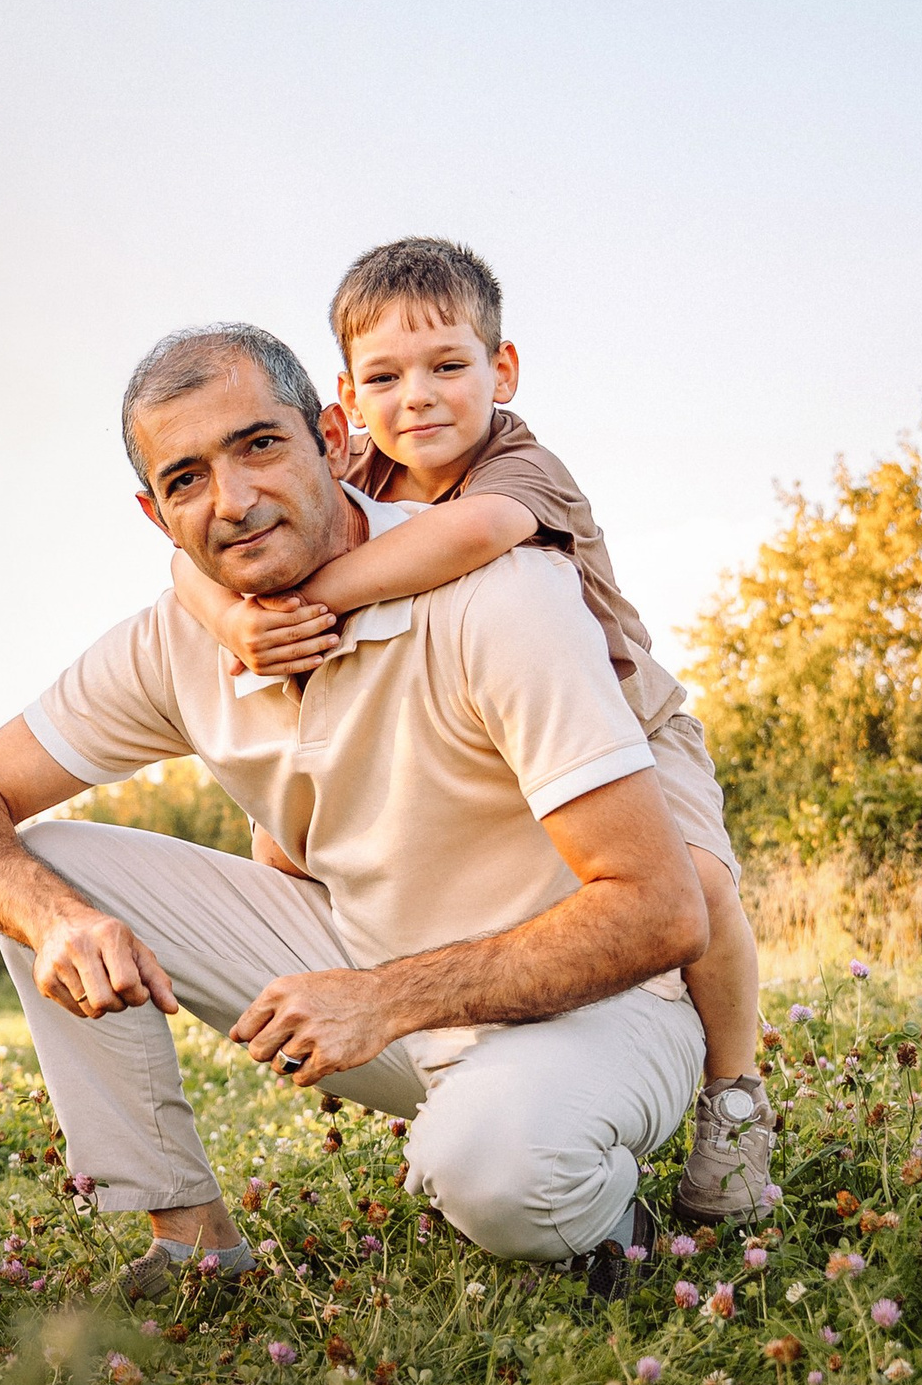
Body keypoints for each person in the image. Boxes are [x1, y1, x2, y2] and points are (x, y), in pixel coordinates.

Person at [0, 321, 710, 1300]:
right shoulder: (178, 639)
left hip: (597, 1010)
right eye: (186, 477)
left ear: (331, 436)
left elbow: (660, 910)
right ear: (156, 515)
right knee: (42, 866)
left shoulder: (498, 599)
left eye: (258, 445)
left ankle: (611, 1222)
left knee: (494, 1172)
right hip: (372, 986)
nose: (231, 501)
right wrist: (53, 919)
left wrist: (385, 997)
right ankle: (194, 1245)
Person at [165, 235, 773, 1224]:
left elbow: (472, 536)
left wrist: (305, 594)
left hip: (630, 726)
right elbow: (195, 559)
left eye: (448, 366)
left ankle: (734, 1098)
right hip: (477, 745)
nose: (420, 397)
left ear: (501, 368)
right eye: (385, 377)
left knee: (694, 884)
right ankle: (464, 1074)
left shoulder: (518, 463)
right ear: (345, 400)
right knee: (287, 847)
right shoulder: (340, 466)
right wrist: (236, 613)